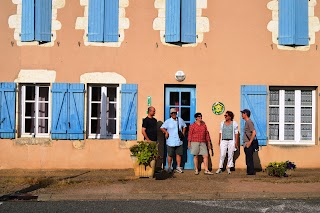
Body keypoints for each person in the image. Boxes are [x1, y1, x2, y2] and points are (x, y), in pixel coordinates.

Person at [160, 108, 186, 173]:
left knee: (179, 154)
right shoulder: (168, 121)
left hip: (179, 140)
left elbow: (185, 126)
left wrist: (183, 133)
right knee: (170, 155)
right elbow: (162, 128)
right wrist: (166, 132)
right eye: (172, 113)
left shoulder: (180, 120)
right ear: (170, 114)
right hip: (170, 141)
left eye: (174, 113)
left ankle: (178, 167)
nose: (174, 114)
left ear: (176, 113)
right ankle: (169, 167)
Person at [241, 109, 256, 175]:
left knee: (249, 158)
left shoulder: (249, 122)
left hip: (248, 143)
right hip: (246, 142)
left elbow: (254, 132)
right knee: (248, 158)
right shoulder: (247, 122)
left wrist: (250, 142)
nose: (242, 115)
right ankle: (249, 171)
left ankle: (251, 172)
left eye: (242, 113)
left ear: (245, 114)